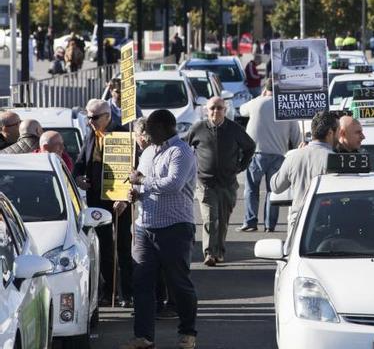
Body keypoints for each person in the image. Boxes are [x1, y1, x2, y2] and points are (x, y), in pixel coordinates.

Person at [122, 110, 198, 349]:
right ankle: (143, 337)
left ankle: (187, 333)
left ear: (167, 127)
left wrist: (142, 182)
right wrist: (135, 193)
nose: (147, 134)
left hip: (174, 227)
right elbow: (143, 184)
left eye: (152, 129)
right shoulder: (147, 152)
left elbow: (174, 184)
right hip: (145, 227)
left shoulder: (181, 151)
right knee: (142, 283)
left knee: (178, 283)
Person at [73, 99, 133, 307]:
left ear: (108, 116)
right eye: (88, 117)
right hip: (97, 198)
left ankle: (127, 292)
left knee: (124, 245)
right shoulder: (91, 133)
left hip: (119, 200)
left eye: (95, 117)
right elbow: (80, 161)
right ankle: (109, 292)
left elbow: (130, 170)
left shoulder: (123, 134)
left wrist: (124, 197)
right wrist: (78, 177)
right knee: (104, 246)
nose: (90, 121)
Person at [186, 96, 256, 266]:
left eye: (219, 108)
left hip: (228, 183)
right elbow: (185, 148)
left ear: (225, 110)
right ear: (206, 110)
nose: (215, 111)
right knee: (210, 218)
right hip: (206, 183)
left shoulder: (234, 129)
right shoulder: (198, 128)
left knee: (223, 220)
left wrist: (240, 166)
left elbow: (250, 147)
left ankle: (219, 251)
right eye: (212, 108)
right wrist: (190, 169)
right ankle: (209, 253)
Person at [238, 83, 301, 233]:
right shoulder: (285, 107)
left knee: (251, 189)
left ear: (265, 89)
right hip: (278, 155)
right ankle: (269, 225)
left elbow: (241, 110)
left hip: (257, 153)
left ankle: (250, 222)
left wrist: (261, 96)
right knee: (273, 191)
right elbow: (296, 134)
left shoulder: (256, 103)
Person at [271, 111, 338, 243]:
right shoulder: (334, 159)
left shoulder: (294, 156)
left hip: (298, 223)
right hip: (326, 224)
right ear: (330, 132)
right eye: (338, 131)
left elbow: (275, 186)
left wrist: (291, 158)